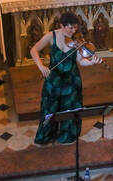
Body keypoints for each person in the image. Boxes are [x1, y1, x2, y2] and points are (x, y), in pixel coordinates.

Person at [30, 12, 102, 145]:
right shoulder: (51, 36)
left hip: (71, 80)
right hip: (53, 80)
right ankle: (46, 135)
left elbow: (81, 61)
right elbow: (33, 50)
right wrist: (41, 66)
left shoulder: (76, 41)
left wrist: (92, 62)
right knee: (49, 108)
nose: (73, 31)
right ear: (61, 25)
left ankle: (66, 135)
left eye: (75, 27)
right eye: (70, 27)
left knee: (69, 109)